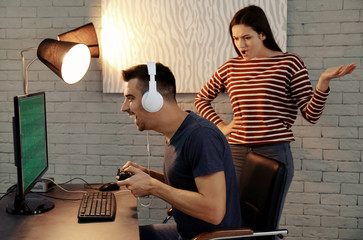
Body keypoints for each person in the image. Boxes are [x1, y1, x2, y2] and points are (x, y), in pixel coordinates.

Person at [194, 5, 356, 230]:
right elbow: (201, 99)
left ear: (263, 34)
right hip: (235, 152)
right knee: (230, 219)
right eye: (236, 38)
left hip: (273, 152)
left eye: (247, 37)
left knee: (263, 225)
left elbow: (311, 114)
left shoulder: (289, 63)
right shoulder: (230, 67)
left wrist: (323, 82)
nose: (241, 45)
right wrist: (222, 127)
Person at [117, 62, 242, 240]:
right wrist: (150, 176)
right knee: (123, 235)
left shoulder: (201, 137)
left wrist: (153, 186)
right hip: (187, 233)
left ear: (153, 100)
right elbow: (187, 183)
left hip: (207, 237)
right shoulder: (176, 133)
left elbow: (214, 211)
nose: (125, 107)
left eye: (130, 98)